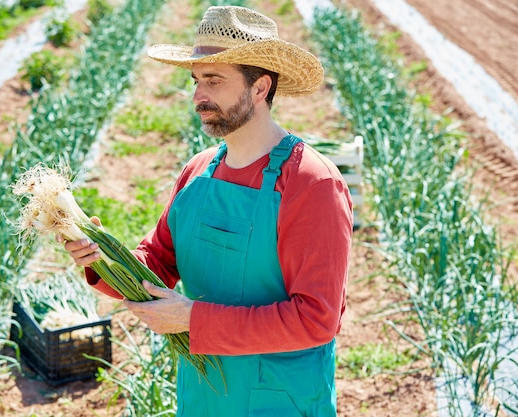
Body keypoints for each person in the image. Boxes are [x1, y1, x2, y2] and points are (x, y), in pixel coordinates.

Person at [65, 5, 352, 416]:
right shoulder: (199, 170)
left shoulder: (310, 183)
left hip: (279, 400)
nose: (199, 96)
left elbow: (316, 318)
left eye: (214, 80)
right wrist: (104, 258)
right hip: (203, 395)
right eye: (196, 81)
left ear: (259, 88)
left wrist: (193, 319)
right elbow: (159, 262)